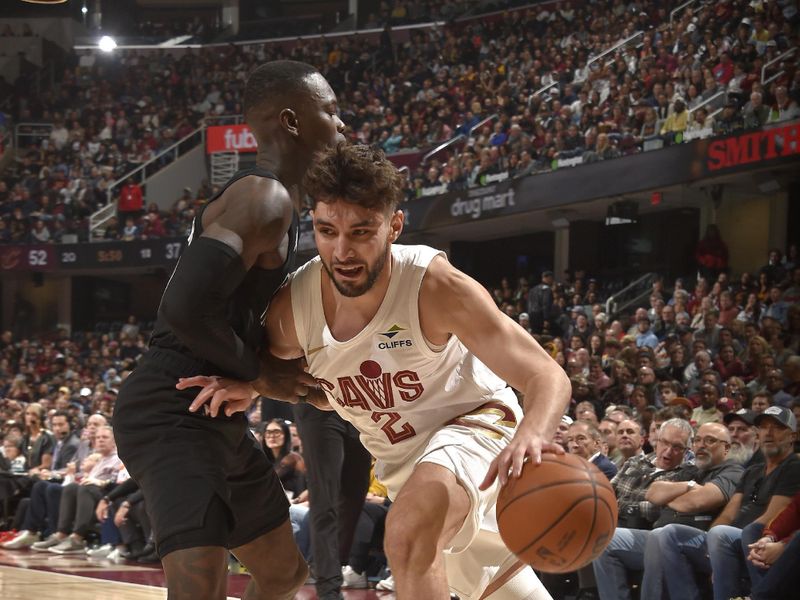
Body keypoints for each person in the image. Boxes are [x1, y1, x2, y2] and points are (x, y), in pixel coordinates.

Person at [179, 143, 571, 600]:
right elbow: (314, 390)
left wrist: (533, 433)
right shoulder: (293, 311)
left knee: (404, 534)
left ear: (394, 227)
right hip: (402, 467)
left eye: (361, 231)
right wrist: (254, 383)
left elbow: (546, 375)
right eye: (327, 231)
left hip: (477, 431)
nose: (342, 250)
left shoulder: (436, 286)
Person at [113, 60, 345, 600]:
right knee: (200, 591)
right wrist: (264, 372)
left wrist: (264, 375)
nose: (341, 125)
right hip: (172, 406)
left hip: (216, 407)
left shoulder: (278, 204)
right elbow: (183, 312)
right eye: (331, 111)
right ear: (291, 121)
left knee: (285, 574)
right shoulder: (264, 198)